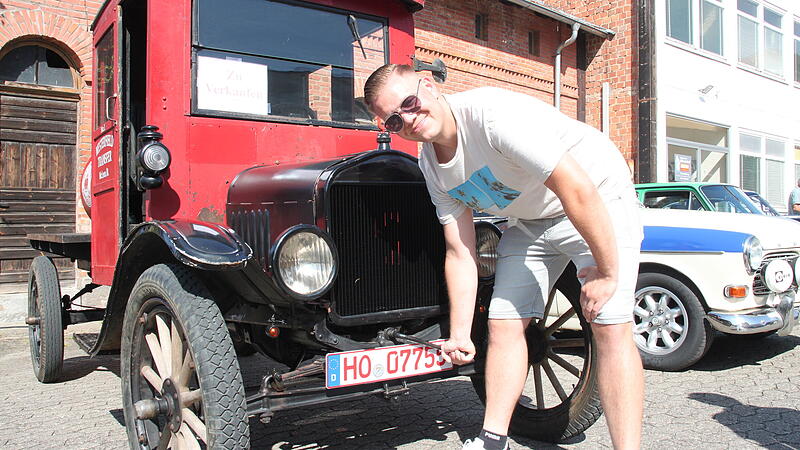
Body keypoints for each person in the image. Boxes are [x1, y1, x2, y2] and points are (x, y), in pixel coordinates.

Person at [363, 64, 644, 450]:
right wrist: (460, 334)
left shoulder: (492, 117)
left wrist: (607, 273)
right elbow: (459, 250)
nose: (408, 120)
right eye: (395, 120)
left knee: (610, 325)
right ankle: (493, 439)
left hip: (596, 194)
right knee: (504, 323)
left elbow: (576, 189)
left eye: (409, 103)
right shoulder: (432, 165)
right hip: (531, 219)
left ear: (427, 85)